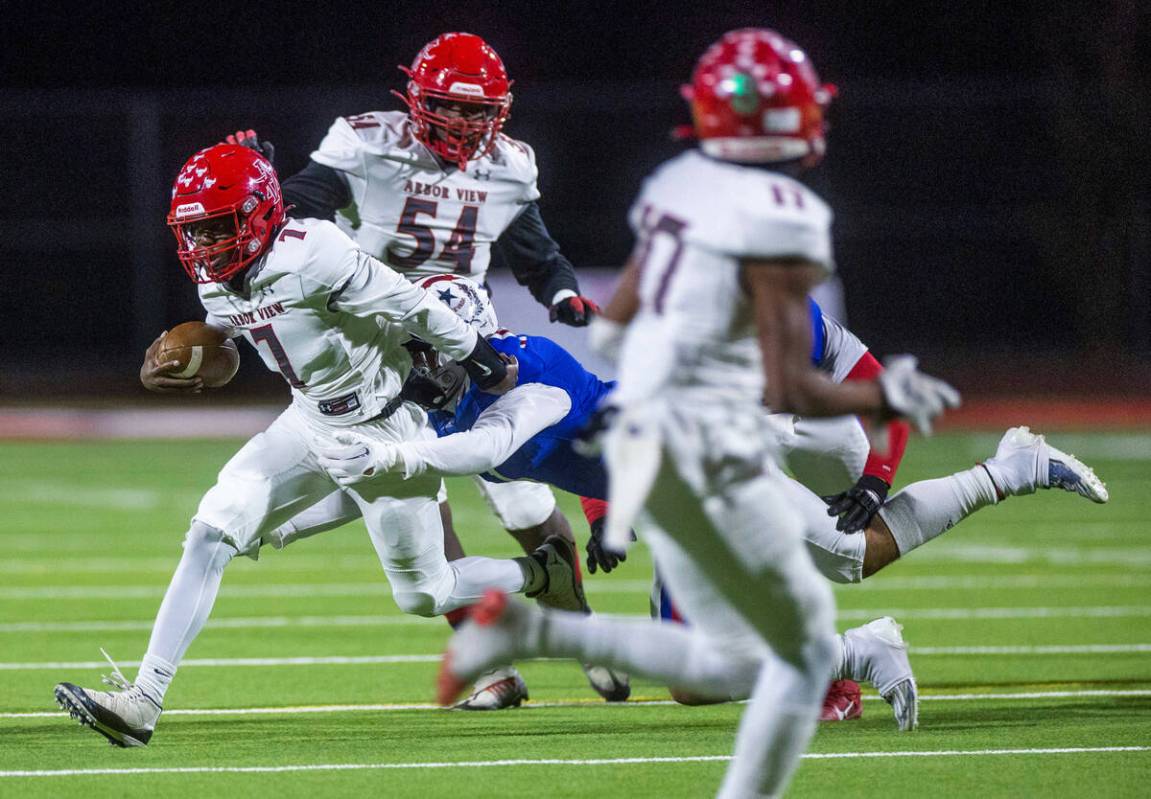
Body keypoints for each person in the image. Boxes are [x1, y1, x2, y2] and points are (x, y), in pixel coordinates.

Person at [439, 28, 962, 798]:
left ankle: (983, 497)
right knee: (712, 662)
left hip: (746, 444)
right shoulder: (765, 220)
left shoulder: (696, 203)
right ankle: (850, 649)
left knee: (837, 560)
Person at [321, 275, 1107, 731]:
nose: (415, 364)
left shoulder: (532, 372)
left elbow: (498, 448)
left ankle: (995, 485)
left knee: (832, 560)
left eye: (426, 346)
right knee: (785, 609)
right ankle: (854, 641)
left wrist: (397, 450)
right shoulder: (454, 399)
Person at [52, 143, 585, 748]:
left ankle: (541, 572)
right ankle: (142, 700)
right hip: (308, 423)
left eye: (217, 227)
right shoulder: (214, 281)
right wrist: (190, 359)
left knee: (424, 593)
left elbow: (411, 305)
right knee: (210, 531)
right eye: (194, 231)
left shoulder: (315, 253)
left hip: (385, 428)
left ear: (259, 213)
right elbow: (233, 339)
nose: (204, 245)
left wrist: (482, 360)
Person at [232, 31, 613, 708]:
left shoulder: (508, 166)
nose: (465, 124)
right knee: (419, 490)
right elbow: (295, 208)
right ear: (414, 99)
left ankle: (583, 635)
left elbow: (534, 247)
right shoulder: (368, 145)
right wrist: (262, 179)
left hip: (464, 339)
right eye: (450, 107)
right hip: (378, 348)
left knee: (522, 494)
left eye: (478, 110)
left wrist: (561, 291)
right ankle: (489, 663)